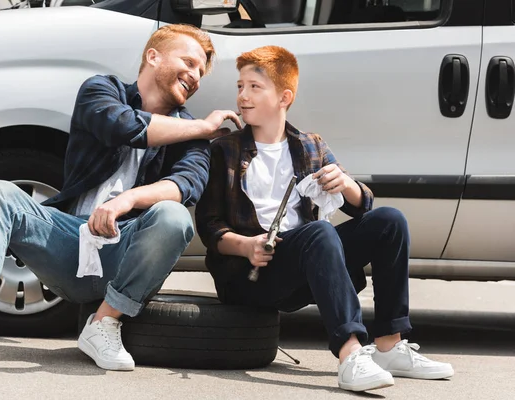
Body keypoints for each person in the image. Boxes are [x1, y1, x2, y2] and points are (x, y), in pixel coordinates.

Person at [0, 24, 241, 371]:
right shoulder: (101, 90)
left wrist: (126, 201)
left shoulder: (191, 137)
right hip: (68, 242)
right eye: (188, 62)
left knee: (174, 217)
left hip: (125, 250)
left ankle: (104, 323)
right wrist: (204, 128)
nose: (195, 76)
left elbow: (187, 183)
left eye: (200, 72)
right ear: (153, 56)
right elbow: (121, 126)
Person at [195, 45, 454, 392]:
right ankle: (350, 355)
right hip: (250, 274)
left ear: (284, 97)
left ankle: (390, 347)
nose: (243, 96)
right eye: (240, 86)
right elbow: (209, 224)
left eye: (255, 87)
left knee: (390, 221)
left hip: (304, 263)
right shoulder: (224, 150)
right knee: (319, 232)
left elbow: (363, 207)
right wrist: (245, 246)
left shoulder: (310, 146)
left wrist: (346, 184)